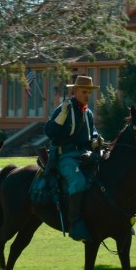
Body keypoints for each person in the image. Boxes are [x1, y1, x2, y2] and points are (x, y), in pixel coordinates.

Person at [45, 75, 103, 242]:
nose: (87, 95)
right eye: (84, 92)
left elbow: (92, 133)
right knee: (78, 182)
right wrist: (62, 114)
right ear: (75, 91)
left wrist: (96, 140)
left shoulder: (88, 113)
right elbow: (49, 132)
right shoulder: (64, 109)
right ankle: (75, 223)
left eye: (89, 93)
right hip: (65, 156)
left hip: (85, 156)